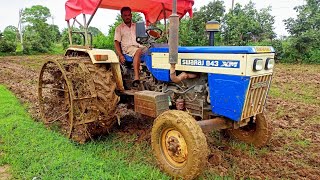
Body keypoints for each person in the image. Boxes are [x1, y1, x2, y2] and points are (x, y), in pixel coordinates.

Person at [114, 6, 147, 85]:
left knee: (152, 50)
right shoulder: (119, 28)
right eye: (125, 15)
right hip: (127, 49)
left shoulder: (136, 26)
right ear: (122, 16)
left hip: (138, 46)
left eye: (129, 15)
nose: (127, 17)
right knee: (138, 51)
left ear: (131, 15)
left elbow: (145, 36)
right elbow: (116, 43)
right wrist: (120, 55)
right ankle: (136, 77)